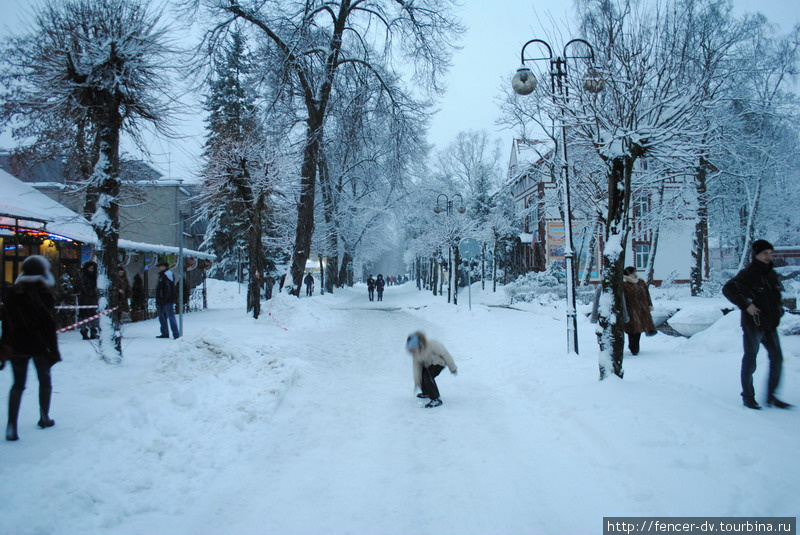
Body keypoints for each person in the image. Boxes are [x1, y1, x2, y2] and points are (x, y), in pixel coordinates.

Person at [722, 239, 792, 410]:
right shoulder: (748, 273)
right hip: (753, 324)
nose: (769, 256)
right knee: (751, 359)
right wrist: (746, 305)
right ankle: (748, 396)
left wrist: (779, 309)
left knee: (777, 359)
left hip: (770, 324)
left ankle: (772, 396)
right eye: (765, 253)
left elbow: (775, 296)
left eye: (770, 253)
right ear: (756, 255)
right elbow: (728, 289)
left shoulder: (771, 274)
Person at [0, 256, 61, 441]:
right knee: (45, 380)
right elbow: (49, 325)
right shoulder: (44, 293)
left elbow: (7, 324)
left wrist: (4, 345)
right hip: (40, 345)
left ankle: (11, 426)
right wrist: (54, 350)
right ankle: (44, 417)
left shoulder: (13, 293)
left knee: (17, 385)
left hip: (17, 345)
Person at [405, 331, 457, 408]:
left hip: (439, 363)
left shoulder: (432, 344)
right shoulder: (415, 355)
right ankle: (426, 392)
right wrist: (417, 381)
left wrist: (453, 368)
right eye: (412, 349)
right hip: (428, 365)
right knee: (422, 374)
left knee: (427, 376)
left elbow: (445, 354)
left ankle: (436, 399)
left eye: (414, 348)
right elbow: (416, 368)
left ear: (419, 344)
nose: (413, 350)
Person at [621, 266, 656, 355]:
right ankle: (633, 347)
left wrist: (649, 305)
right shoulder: (624, 284)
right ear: (627, 274)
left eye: (634, 272)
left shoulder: (641, 282)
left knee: (639, 328)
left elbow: (647, 294)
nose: (634, 274)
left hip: (642, 309)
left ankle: (635, 347)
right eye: (632, 273)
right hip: (631, 310)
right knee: (632, 329)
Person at [155, 260, 180, 339]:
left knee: (170, 316)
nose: (159, 268)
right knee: (162, 317)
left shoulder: (167, 274)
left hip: (167, 300)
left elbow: (169, 288)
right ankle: (165, 333)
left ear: (165, 267)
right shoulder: (162, 275)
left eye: (160, 266)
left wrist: (167, 298)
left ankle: (175, 334)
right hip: (162, 300)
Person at [78, 260, 99, 340]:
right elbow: (80, 285)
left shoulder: (94, 276)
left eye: (93, 268)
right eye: (90, 268)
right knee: (83, 316)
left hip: (92, 298)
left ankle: (93, 332)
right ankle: (84, 332)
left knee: (94, 316)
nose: (91, 269)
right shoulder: (83, 276)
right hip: (84, 298)